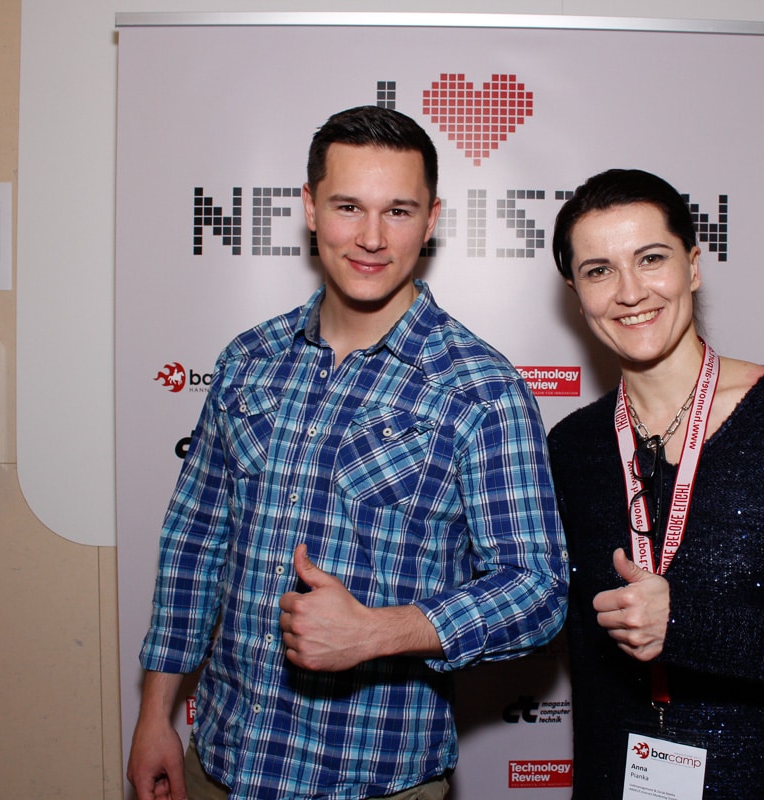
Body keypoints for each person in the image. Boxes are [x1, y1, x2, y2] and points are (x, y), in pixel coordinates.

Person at [127, 105, 568, 800]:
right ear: (310, 208)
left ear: (431, 219)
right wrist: (156, 714)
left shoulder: (481, 389)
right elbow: (195, 543)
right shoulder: (248, 361)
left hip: (373, 781)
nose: (371, 237)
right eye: (347, 207)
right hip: (222, 763)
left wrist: (380, 632)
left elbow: (536, 589)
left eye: (398, 211)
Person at [546, 168, 764, 799]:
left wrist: (683, 626)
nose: (630, 292)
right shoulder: (572, 447)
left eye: (651, 258)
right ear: (577, 292)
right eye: (599, 270)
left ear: (694, 266)